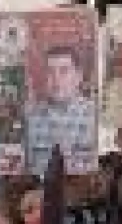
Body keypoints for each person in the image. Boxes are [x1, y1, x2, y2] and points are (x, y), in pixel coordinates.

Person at [26, 46, 96, 176]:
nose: (56, 79)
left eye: (64, 71)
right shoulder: (30, 117)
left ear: (78, 77)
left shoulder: (95, 116)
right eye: (50, 72)